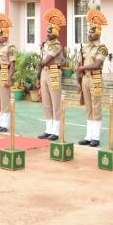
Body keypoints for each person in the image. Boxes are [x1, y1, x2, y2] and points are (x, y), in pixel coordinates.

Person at [76, 9, 109, 148]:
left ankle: (96, 137)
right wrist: (79, 81)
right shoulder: (85, 48)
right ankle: (88, 136)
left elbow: (96, 65)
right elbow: (79, 64)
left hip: (95, 78)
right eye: (89, 32)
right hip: (85, 79)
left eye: (92, 32)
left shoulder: (102, 48)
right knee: (88, 108)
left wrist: (82, 68)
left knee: (96, 107)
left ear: (98, 33)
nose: (89, 34)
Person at [38, 9, 66, 142]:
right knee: (46, 103)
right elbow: (42, 62)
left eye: (50, 32)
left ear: (55, 33)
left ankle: (55, 131)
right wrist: (38, 77)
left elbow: (46, 60)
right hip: (44, 73)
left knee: (55, 103)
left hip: (54, 72)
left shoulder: (57, 46)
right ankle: (48, 129)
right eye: (47, 31)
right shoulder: (45, 45)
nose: (47, 34)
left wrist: (39, 63)